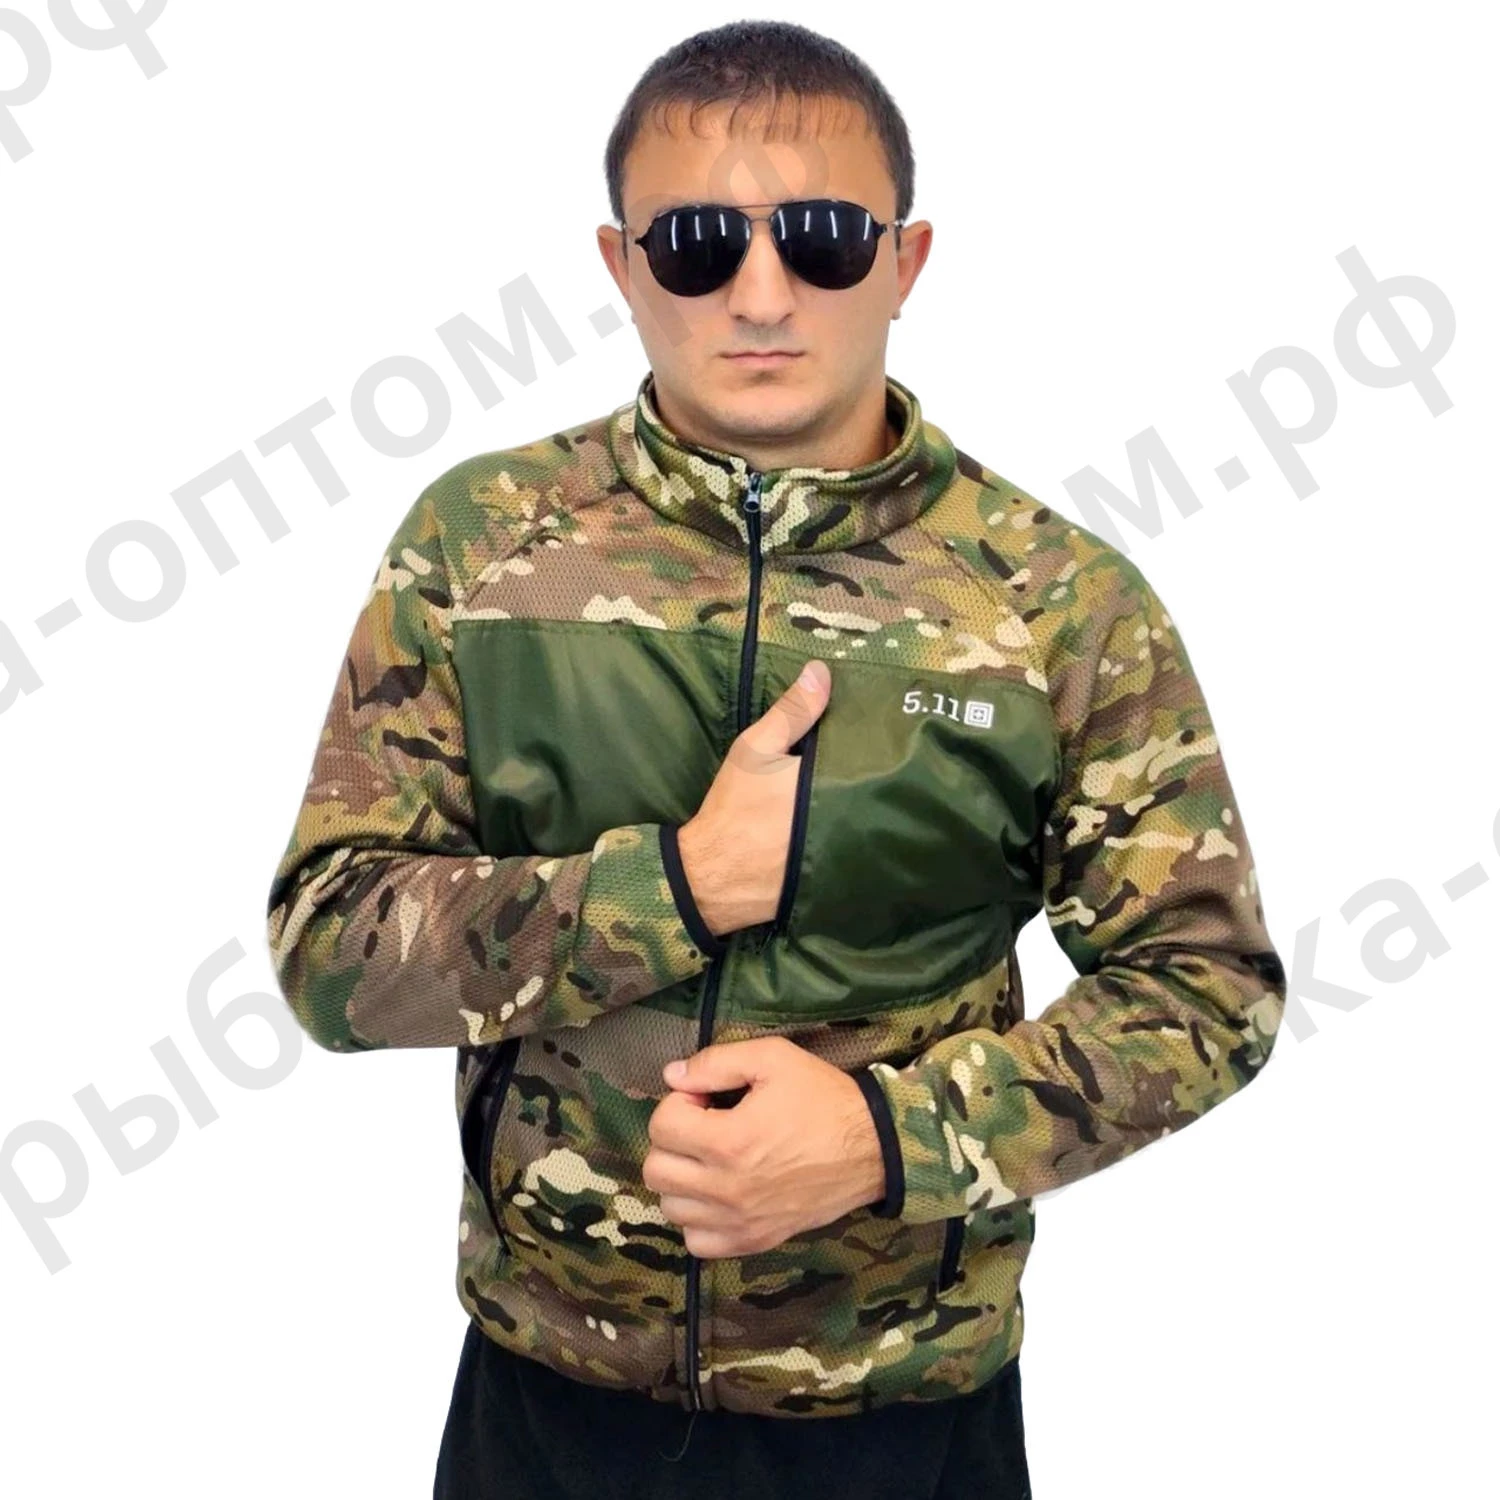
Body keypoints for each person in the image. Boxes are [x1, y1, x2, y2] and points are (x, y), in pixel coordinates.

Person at [264, 19, 1288, 1500]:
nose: (759, 294)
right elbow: (329, 951)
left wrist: (886, 1140)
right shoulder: (481, 551)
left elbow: (1206, 989)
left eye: (820, 239)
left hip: (906, 1419)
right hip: (546, 1406)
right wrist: (672, 890)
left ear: (905, 261)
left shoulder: (1056, 604)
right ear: (621, 267)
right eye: (695, 246)